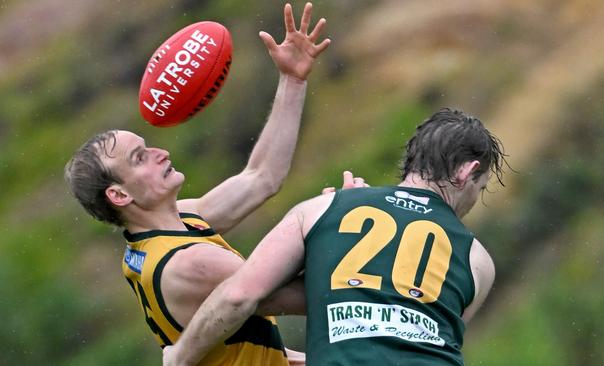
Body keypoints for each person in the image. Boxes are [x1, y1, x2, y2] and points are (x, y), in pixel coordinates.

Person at [64, 3, 350, 365]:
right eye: (140, 158)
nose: (161, 152)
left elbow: (261, 178)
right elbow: (312, 296)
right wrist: (334, 224)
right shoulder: (189, 263)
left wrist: (292, 79)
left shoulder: (173, 223)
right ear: (119, 195)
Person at [162, 108, 508, 366]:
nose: (475, 200)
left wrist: (180, 354)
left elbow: (241, 296)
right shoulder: (478, 260)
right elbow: (431, 343)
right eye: (481, 187)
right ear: (467, 172)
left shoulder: (320, 210)